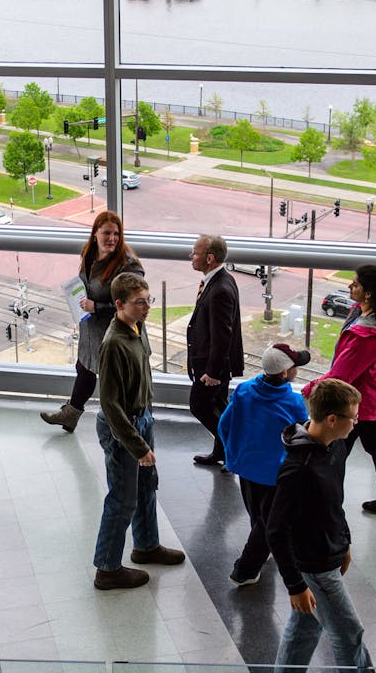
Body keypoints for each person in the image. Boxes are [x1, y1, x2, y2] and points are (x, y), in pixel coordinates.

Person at [266, 378, 375, 672]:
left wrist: (345, 542)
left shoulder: (334, 448)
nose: (356, 422)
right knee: (349, 634)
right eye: (353, 417)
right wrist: (295, 585)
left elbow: (334, 506)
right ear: (331, 419)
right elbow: (275, 531)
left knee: (305, 628)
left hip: (330, 552)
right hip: (315, 565)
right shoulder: (298, 470)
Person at [91, 272, 185, 590]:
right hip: (124, 428)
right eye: (139, 302)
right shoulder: (113, 344)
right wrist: (138, 447)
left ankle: (146, 546)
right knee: (122, 499)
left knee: (147, 486)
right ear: (119, 304)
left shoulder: (137, 327)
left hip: (143, 418)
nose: (146, 307)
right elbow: (111, 406)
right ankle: (107, 569)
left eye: (148, 300)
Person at [304, 264, 376, 515]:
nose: (350, 286)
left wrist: (310, 387)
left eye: (356, 284)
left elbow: (341, 375)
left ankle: (324, 503)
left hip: (359, 403)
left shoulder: (365, 335)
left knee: (335, 454)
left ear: (368, 292)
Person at [40, 211, 144, 433]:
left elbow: (136, 305)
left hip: (115, 335)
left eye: (116, 234)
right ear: (95, 233)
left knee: (114, 382)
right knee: (85, 368)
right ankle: (70, 415)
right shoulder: (89, 254)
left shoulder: (128, 266)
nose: (112, 239)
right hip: (91, 329)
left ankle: (125, 428)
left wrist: (96, 307)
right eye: (106, 233)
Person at [216, 343, 311, 586]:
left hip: (245, 467)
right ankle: (245, 570)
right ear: (283, 374)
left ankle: (264, 548)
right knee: (270, 522)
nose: (297, 370)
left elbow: (224, 425)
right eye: (294, 367)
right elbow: (301, 439)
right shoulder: (293, 402)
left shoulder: (244, 390)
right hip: (274, 474)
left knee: (257, 513)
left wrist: (232, 454)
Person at [186, 234, 244, 468]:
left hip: (212, 366)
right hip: (213, 363)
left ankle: (230, 448)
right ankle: (223, 451)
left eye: (196, 253)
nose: (191, 256)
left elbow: (222, 335)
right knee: (218, 407)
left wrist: (212, 371)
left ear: (209, 258)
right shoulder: (222, 280)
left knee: (199, 406)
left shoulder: (219, 289)